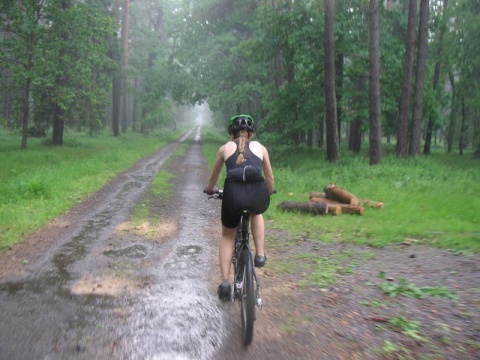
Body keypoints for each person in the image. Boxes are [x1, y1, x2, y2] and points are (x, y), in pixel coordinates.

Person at [204, 114, 274, 301]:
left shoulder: (225, 148)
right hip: (256, 193)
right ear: (250, 135)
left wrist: (210, 189)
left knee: (228, 236)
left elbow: (213, 178)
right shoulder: (261, 148)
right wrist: (270, 191)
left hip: (232, 195)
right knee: (257, 212)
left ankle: (225, 282)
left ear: (231, 134)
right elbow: (269, 179)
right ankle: (259, 254)